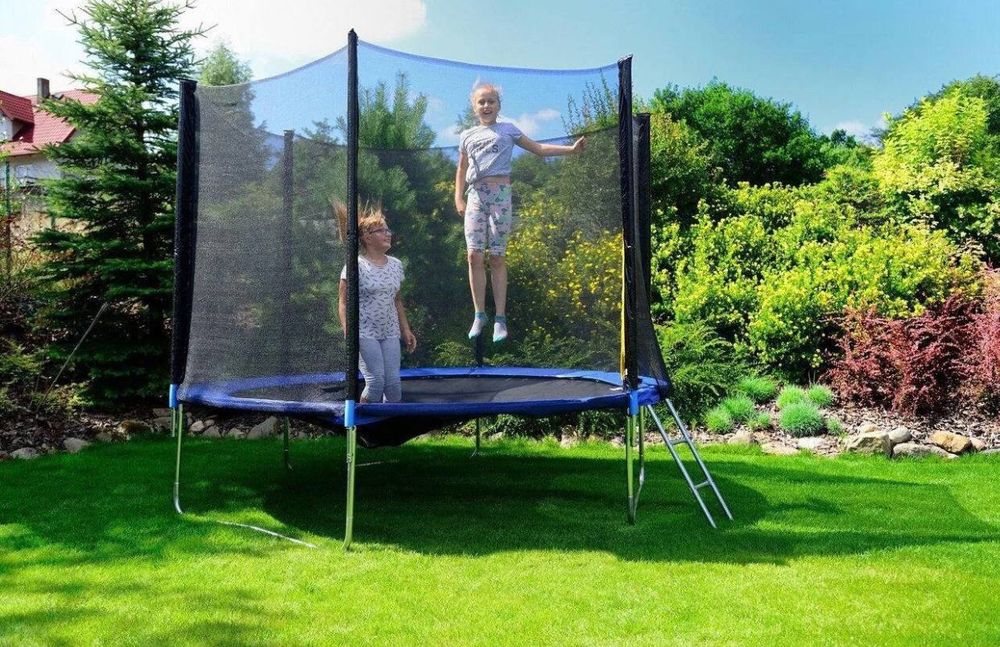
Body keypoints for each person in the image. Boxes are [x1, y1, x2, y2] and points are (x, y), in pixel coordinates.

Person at [455, 82, 586, 343]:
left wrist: (571, 150)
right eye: (481, 102)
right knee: (473, 255)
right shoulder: (467, 135)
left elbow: (538, 149)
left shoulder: (508, 129)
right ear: (474, 106)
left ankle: (500, 318)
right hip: (476, 195)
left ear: (498, 105)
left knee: (497, 256)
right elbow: (461, 169)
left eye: (491, 101)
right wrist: (458, 197)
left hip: (500, 194)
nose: (486, 105)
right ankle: (479, 314)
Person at [336, 202, 417, 404]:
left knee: (393, 384)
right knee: (376, 382)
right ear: (367, 237)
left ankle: (389, 422)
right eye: (381, 230)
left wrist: (406, 329)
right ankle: (361, 419)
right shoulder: (355, 265)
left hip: (390, 331)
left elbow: (397, 299)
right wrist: (347, 330)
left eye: (388, 230)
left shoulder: (396, 265)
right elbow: (343, 302)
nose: (388, 234)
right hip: (364, 333)